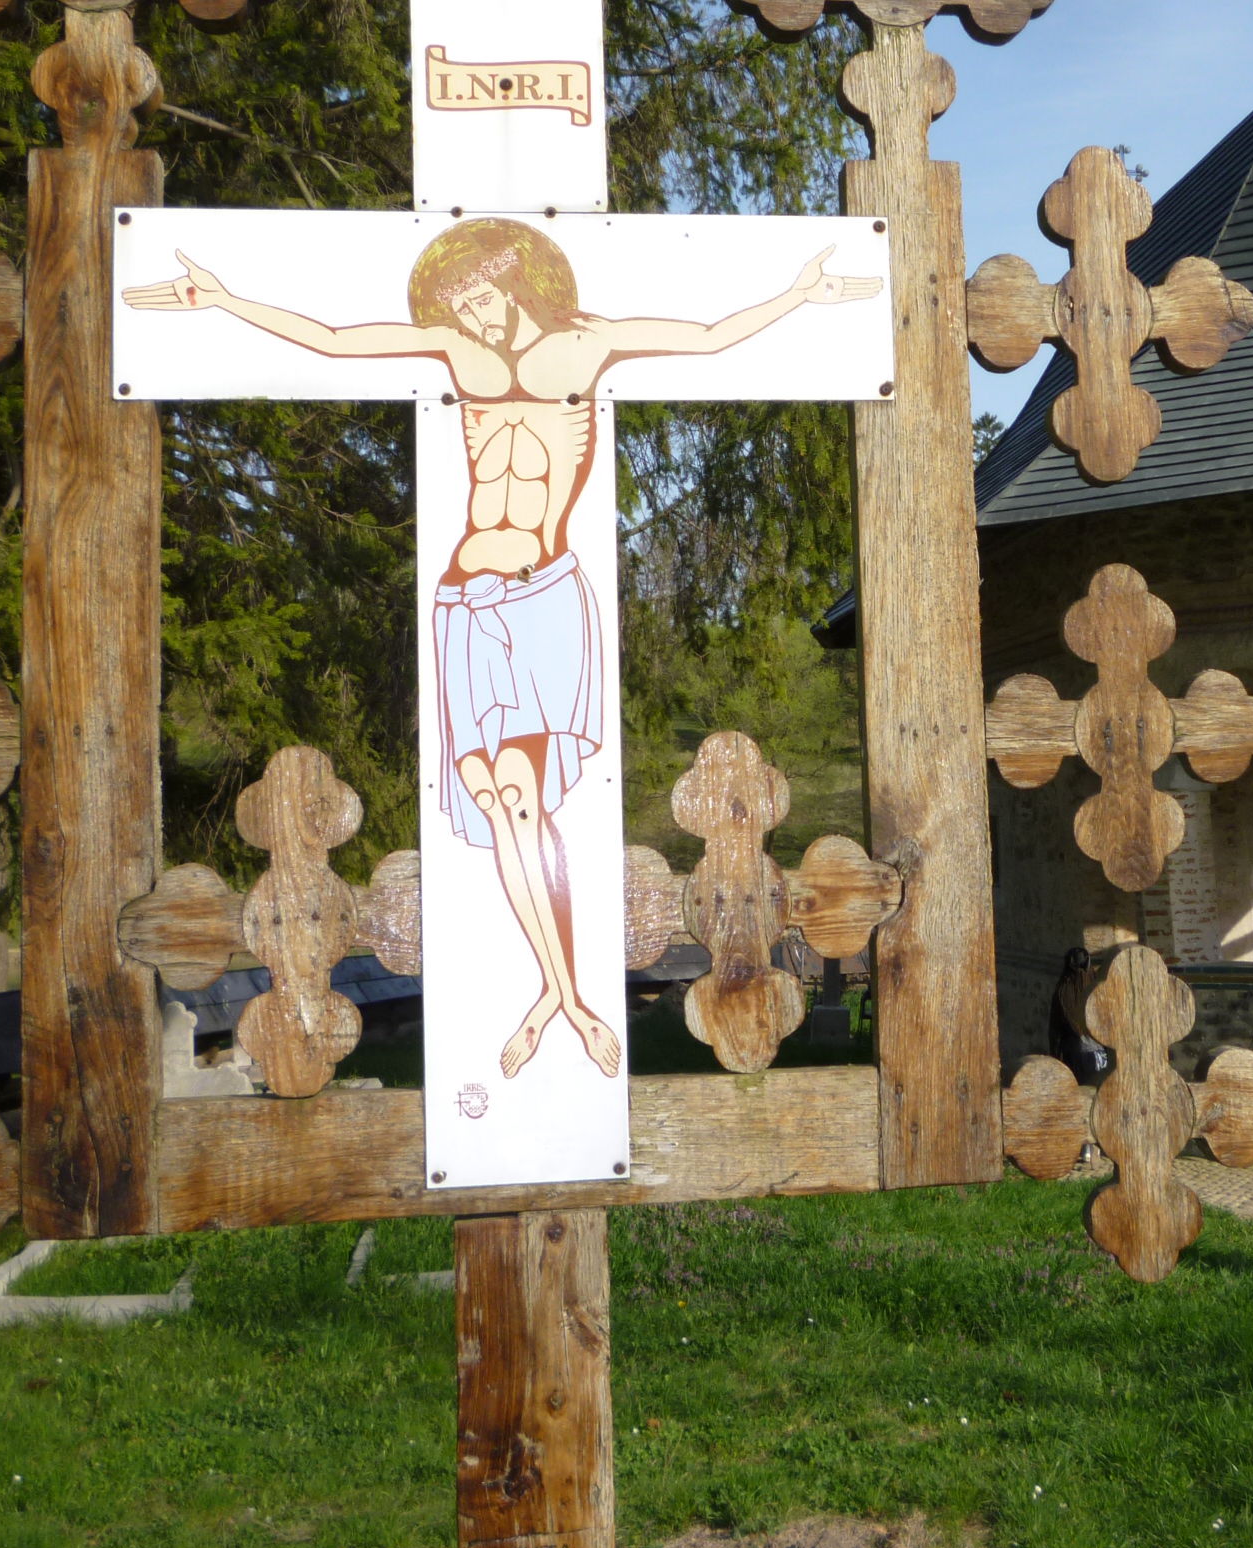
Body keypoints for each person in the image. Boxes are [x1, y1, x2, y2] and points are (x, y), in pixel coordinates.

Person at [127, 219, 877, 1083]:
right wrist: (224, 298)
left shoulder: (587, 345)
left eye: (482, 298)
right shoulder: (458, 354)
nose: (475, 317)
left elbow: (705, 337)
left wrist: (798, 295)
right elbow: (335, 341)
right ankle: (558, 995)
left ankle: (565, 998)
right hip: (464, 604)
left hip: (541, 599)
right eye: (461, 305)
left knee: (524, 802)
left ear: (515, 283)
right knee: (498, 806)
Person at [1047, 946, 1111, 1083]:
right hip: (1089, 1050)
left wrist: (1056, 1057)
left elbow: (1056, 1031)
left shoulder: (1063, 989)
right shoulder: (1096, 985)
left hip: (1083, 1050)